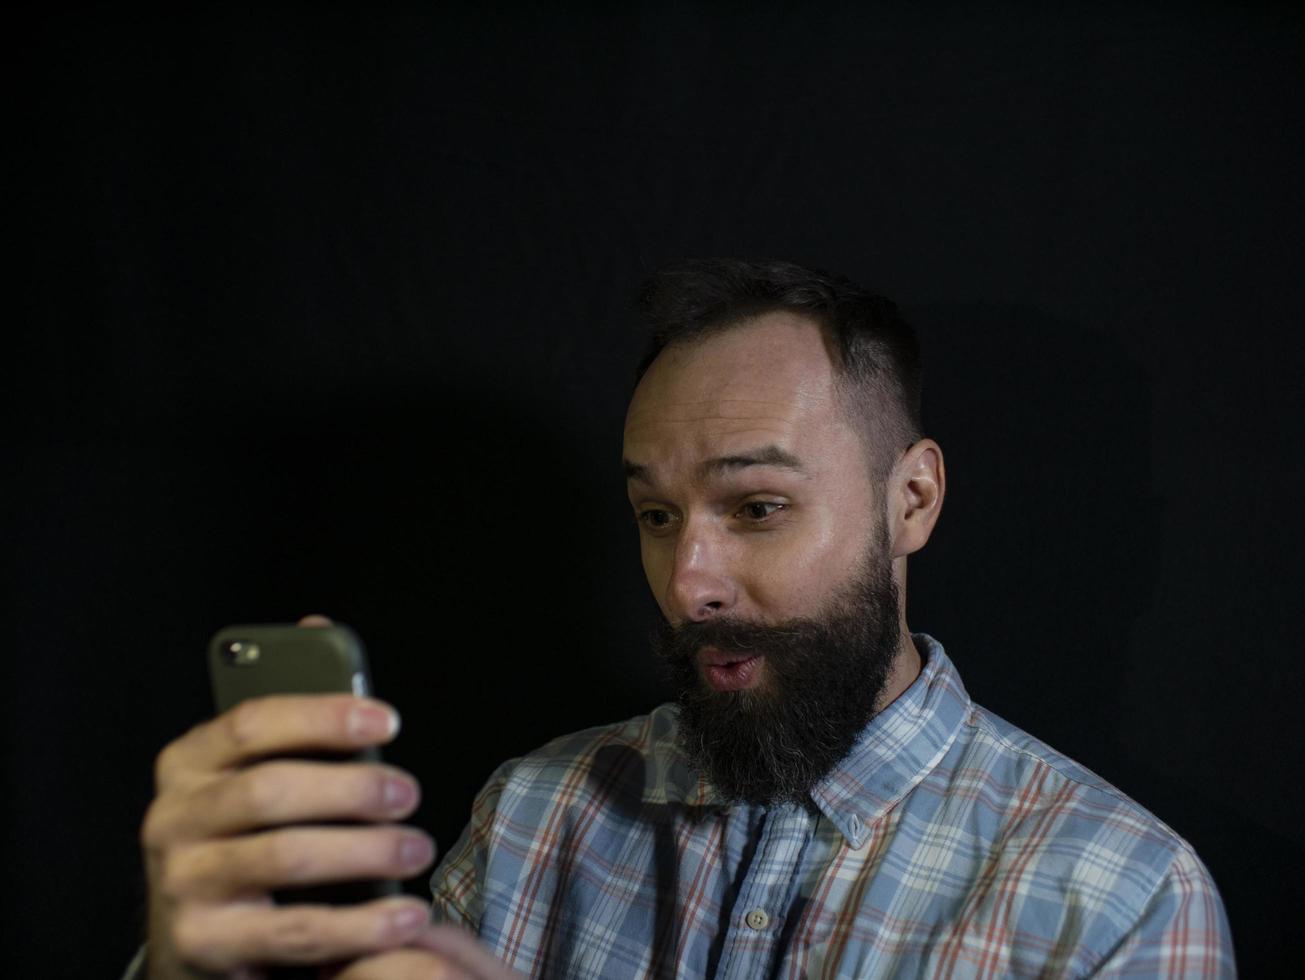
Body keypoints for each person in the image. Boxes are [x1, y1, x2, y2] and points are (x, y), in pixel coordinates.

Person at [132, 259, 1235, 979]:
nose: (689, 581)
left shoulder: (1118, 897)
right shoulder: (533, 814)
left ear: (913, 500)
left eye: (757, 506)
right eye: (656, 514)